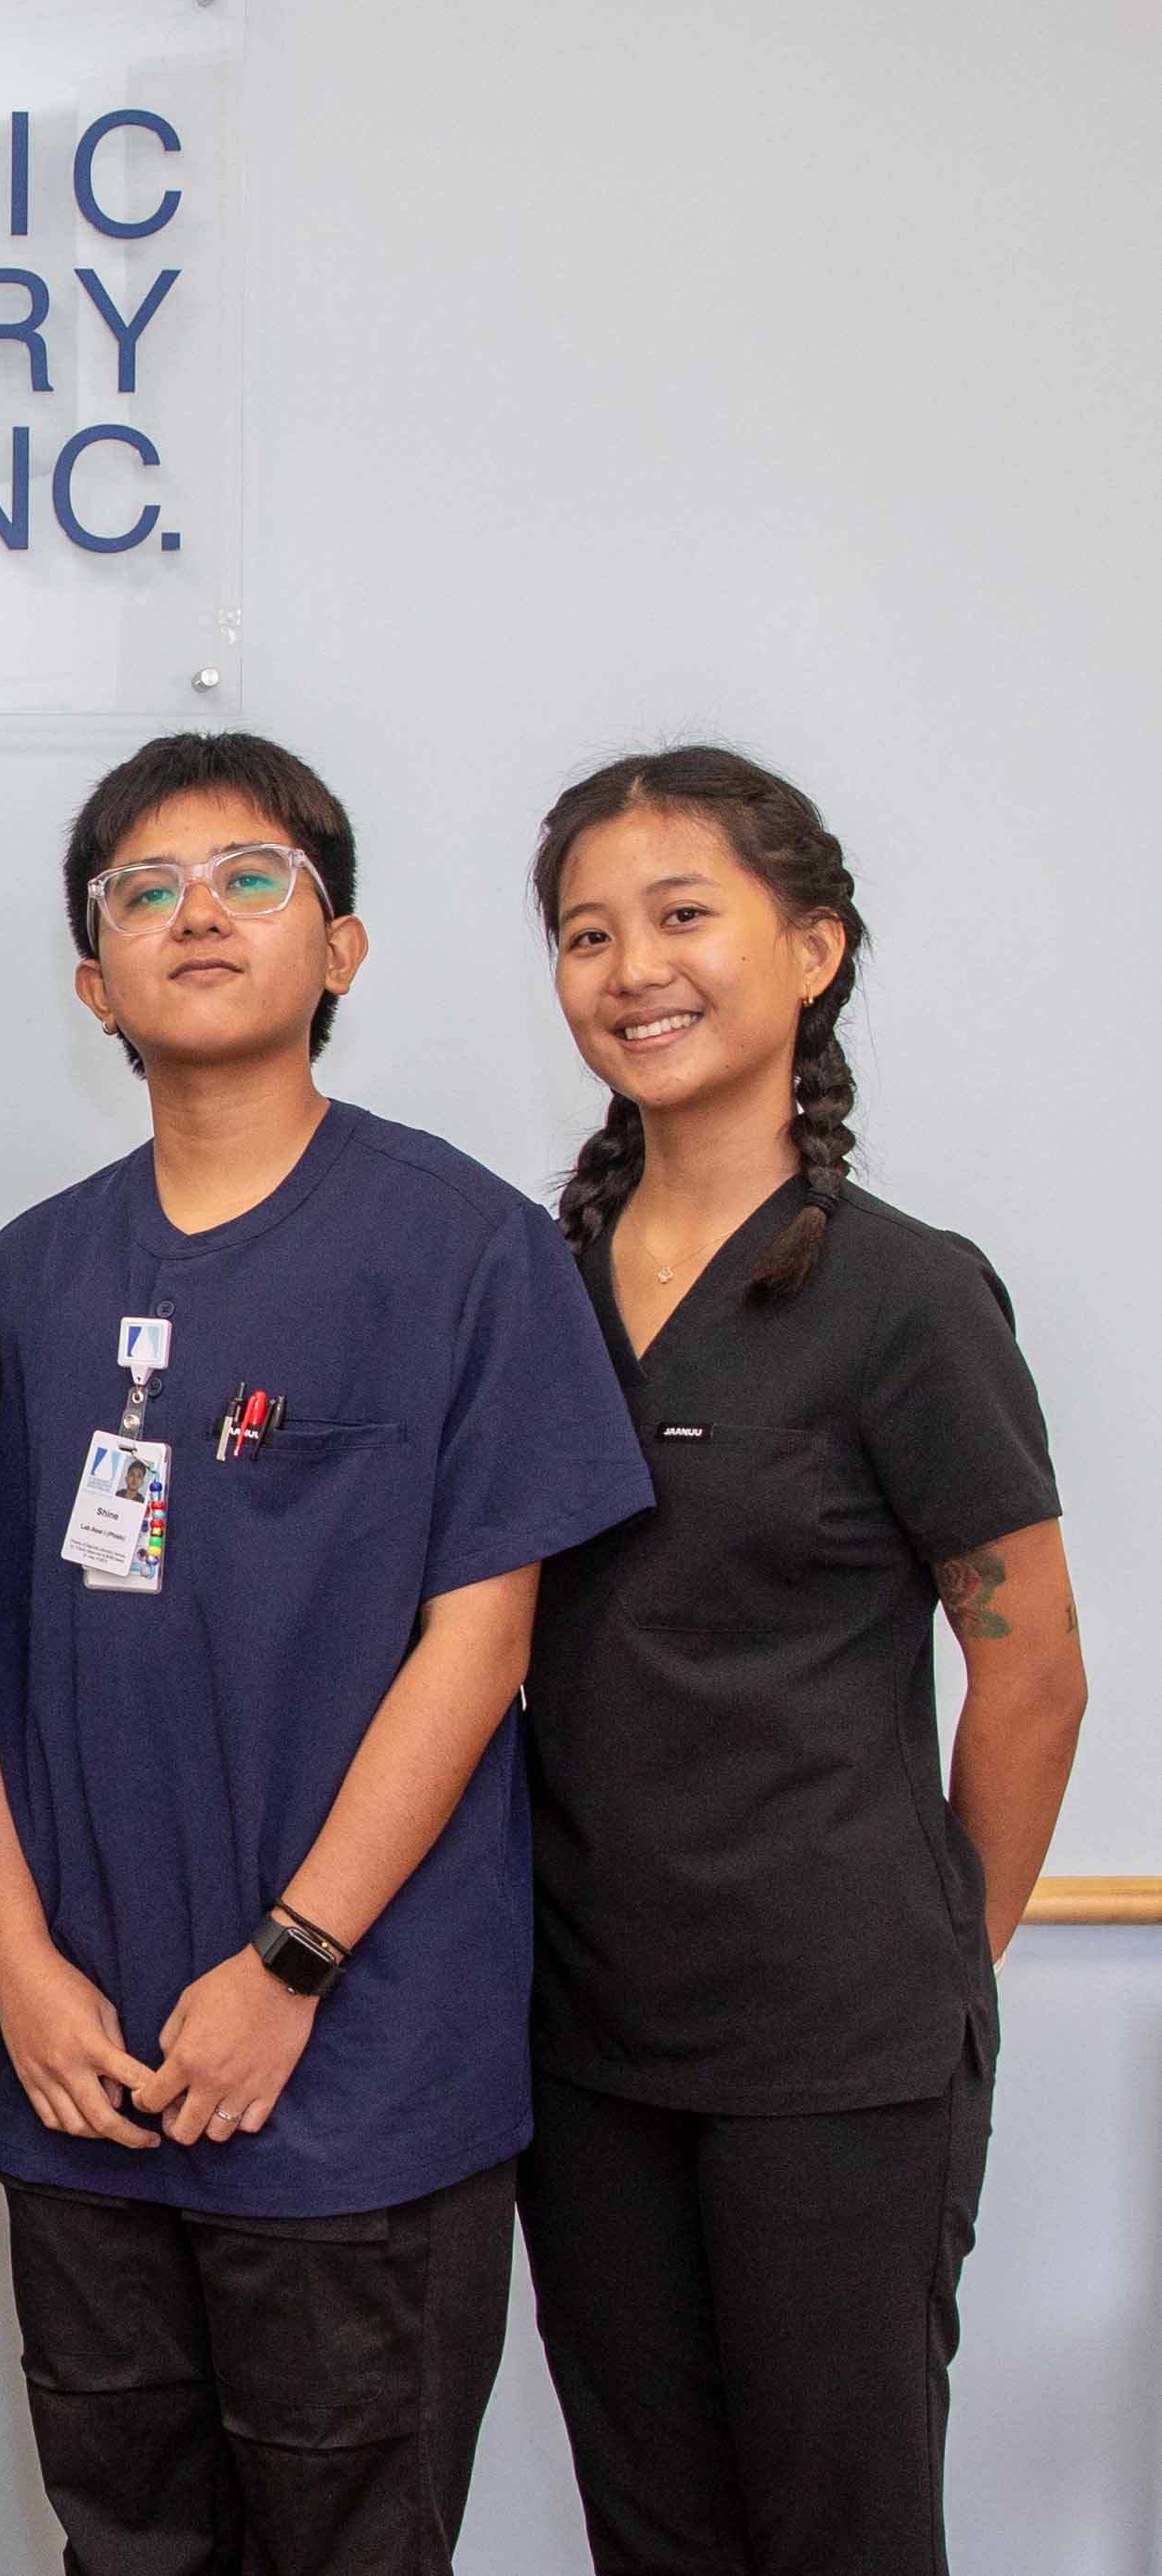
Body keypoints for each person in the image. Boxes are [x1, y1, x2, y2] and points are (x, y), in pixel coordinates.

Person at [0, 732, 652, 2576]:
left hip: (356, 2080)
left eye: (251, 878)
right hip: (81, 2072)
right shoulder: (21, 1283)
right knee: (125, 2545)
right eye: (143, 891)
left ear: (339, 948)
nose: (197, 915)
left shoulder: (464, 1251)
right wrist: (16, 1962)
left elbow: (481, 1637)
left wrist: (289, 1961)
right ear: (90, 980)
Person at [516, 749, 1084, 2576]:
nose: (630, 968)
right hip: (579, 2038)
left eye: (680, 915)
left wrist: (931, 1966)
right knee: (649, 2533)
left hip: (836, 2051)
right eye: (584, 933)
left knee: (838, 2533)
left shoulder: (901, 1296)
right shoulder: (531, 1289)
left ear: (812, 948)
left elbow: (1033, 1672)